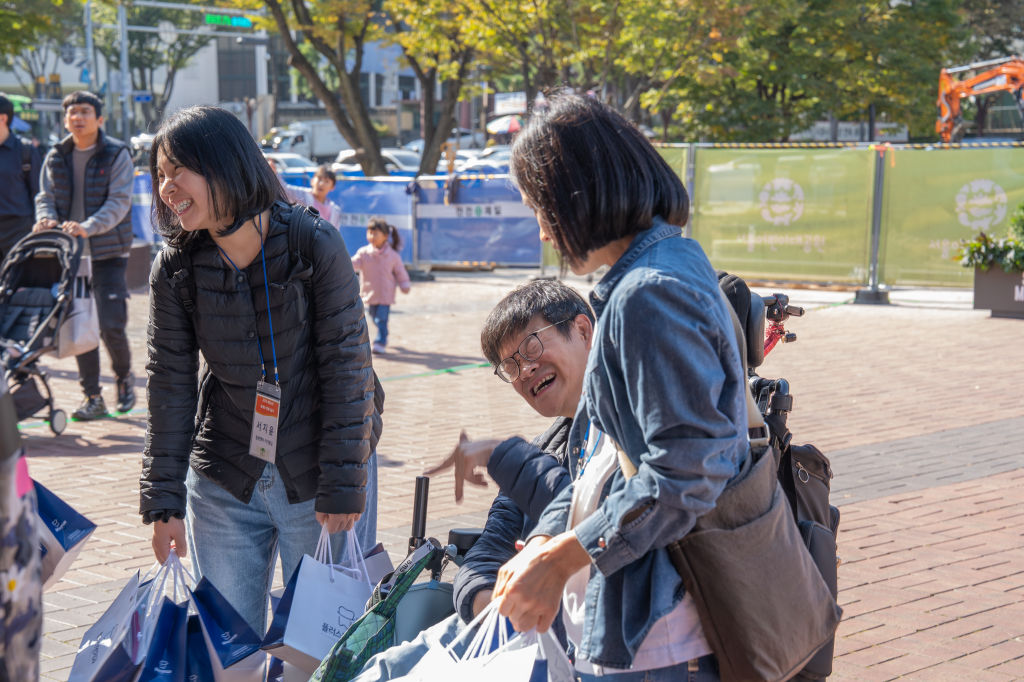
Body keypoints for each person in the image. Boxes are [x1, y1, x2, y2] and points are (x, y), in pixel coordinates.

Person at [484, 93, 749, 681]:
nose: (545, 232)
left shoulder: (650, 292)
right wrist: (547, 537)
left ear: (578, 194)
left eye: (541, 207)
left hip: (661, 630)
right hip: (646, 617)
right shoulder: (661, 267)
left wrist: (564, 555)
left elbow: (684, 474)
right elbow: (600, 461)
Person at [140, 105, 378, 634]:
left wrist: (343, 483)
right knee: (232, 649)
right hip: (226, 475)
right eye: (160, 175)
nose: (166, 188)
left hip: (320, 476)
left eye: (178, 170)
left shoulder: (312, 244)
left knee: (320, 649)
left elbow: (348, 368)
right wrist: (163, 501)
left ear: (224, 164)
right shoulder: (176, 268)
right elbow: (169, 385)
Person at [352, 278, 590, 681]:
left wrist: (499, 454)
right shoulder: (547, 443)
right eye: (511, 365)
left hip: (570, 644)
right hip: (507, 629)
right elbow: (487, 550)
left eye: (532, 345)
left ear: (583, 330)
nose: (526, 369)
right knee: (379, 668)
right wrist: (493, 604)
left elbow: (588, 508)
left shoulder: (621, 432)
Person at [33, 91, 135, 420]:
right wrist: (46, 219)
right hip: (71, 256)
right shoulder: (56, 155)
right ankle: (92, 396)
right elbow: (45, 196)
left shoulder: (116, 153)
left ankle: (123, 378)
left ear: (100, 119)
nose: (78, 117)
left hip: (108, 252)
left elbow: (119, 202)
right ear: (65, 120)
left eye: (85, 111)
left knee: (110, 325)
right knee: (81, 325)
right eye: (72, 112)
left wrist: (88, 227)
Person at [350, 217, 410, 354]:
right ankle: (383, 332)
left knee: (381, 319)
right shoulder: (364, 253)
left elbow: (400, 271)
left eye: (375, 233)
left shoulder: (393, 256)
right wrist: (342, 263)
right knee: (373, 317)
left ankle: (380, 341)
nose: (372, 236)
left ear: (385, 236)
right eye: (369, 233)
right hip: (369, 293)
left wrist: (404, 284)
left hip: (385, 294)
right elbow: (354, 264)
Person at [0, 94, 41, 262]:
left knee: (18, 285)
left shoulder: (25, 151)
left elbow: (39, 193)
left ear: (3, 118)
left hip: (18, 231)